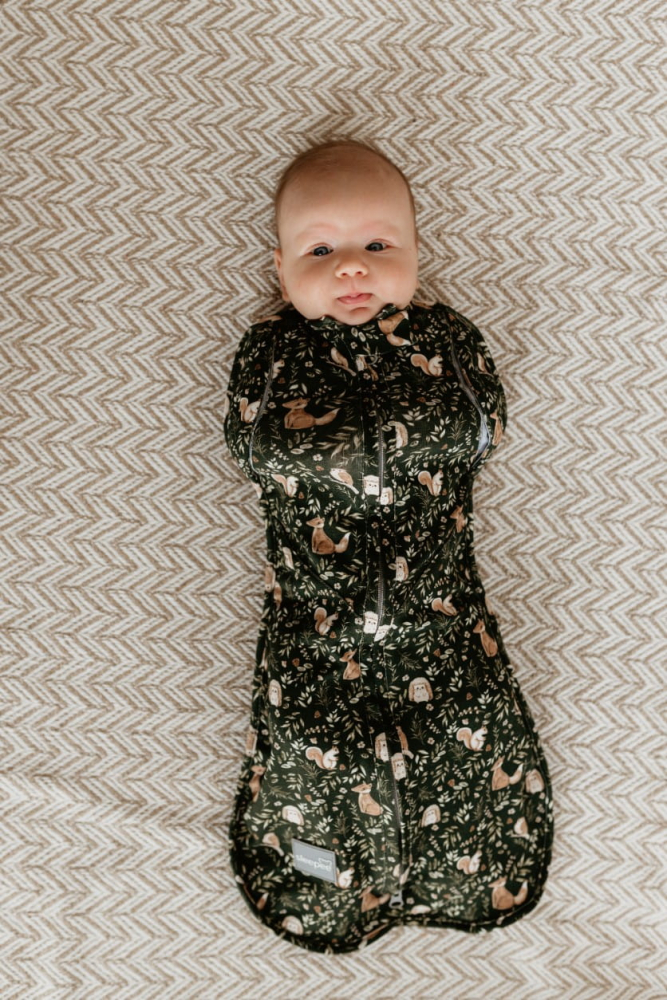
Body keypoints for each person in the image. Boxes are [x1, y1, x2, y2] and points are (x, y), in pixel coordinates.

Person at [223, 138, 554, 954]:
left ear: (415, 253)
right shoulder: (273, 354)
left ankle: (471, 877)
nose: (351, 267)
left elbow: (480, 425)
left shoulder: (443, 342)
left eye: (377, 244)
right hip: (314, 635)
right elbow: (253, 447)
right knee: (316, 755)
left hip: (445, 624)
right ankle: (325, 878)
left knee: (470, 734)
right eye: (319, 251)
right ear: (279, 269)